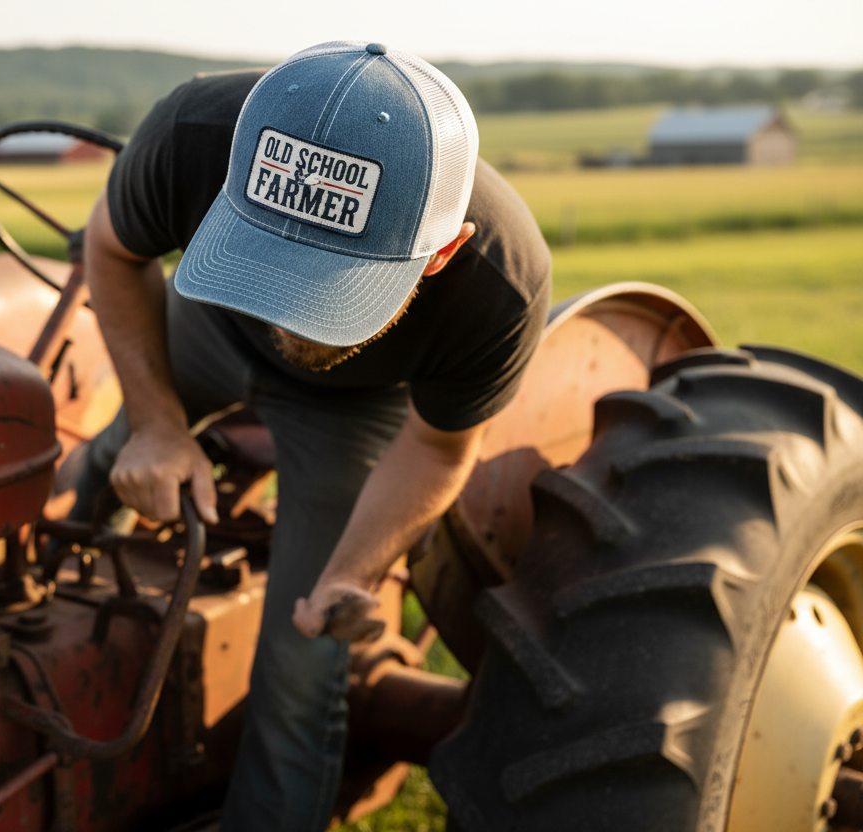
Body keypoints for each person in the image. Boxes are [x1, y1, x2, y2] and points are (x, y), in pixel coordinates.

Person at [75, 41, 552, 831]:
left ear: (442, 253)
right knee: (103, 464)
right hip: (210, 327)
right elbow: (112, 248)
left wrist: (354, 575)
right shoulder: (192, 132)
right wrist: (156, 426)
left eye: (335, 285)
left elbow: (437, 447)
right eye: (278, 260)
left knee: (306, 652)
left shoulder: (498, 285)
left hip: (354, 406)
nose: (291, 315)